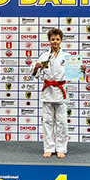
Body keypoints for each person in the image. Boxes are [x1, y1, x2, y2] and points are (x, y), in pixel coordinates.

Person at [32, 28, 85, 159]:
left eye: (57, 39)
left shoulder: (66, 57)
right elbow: (36, 74)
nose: (55, 42)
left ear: (61, 41)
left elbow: (74, 73)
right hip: (48, 91)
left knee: (61, 122)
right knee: (47, 121)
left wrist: (82, 70)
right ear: (49, 41)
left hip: (60, 92)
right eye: (52, 39)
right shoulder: (44, 56)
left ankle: (61, 148)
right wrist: (36, 67)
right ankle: (49, 148)